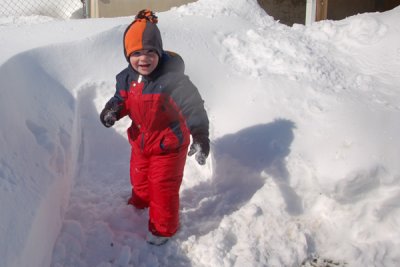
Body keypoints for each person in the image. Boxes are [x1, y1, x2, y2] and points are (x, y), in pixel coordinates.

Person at [100, 10, 210, 246]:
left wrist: (200, 135)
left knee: (162, 187)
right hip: (141, 140)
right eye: (136, 53)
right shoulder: (127, 78)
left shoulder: (173, 80)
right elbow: (122, 98)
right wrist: (113, 110)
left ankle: (163, 229)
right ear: (127, 55)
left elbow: (193, 108)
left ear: (159, 52)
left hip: (169, 145)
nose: (144, 59)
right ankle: (141, 201)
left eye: (150, 52)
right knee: (138, 176)